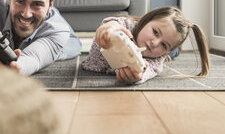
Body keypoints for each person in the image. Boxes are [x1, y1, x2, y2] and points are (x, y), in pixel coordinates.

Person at [81, 6, 210, 84]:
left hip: (160, 54)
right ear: (147, 20)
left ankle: (174, 51)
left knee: (172, 53)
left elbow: (146, 73)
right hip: (132, 29)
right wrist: (110, 26)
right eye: (155, 32)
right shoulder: (128, 26)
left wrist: (137, 75)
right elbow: (115, 22)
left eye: (164, 45)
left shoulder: (156, 61)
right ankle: (173, 50)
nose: (154, 43)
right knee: (170, 50)